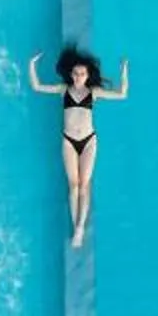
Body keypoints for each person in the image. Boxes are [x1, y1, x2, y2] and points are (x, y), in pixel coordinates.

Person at [27, 44, 129, 247]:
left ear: (87, 75)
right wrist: (31, 64)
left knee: (84, 185)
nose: (78, 77)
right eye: (75, 73)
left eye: (82, 74)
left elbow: (122, 94)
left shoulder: (93, 92)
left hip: (88, 140)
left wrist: (124, 70)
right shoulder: (64, 90)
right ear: (71, 74)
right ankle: (77, 228)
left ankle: (81, 226)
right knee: (73, 185)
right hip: (69, 141)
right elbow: (37, 86)